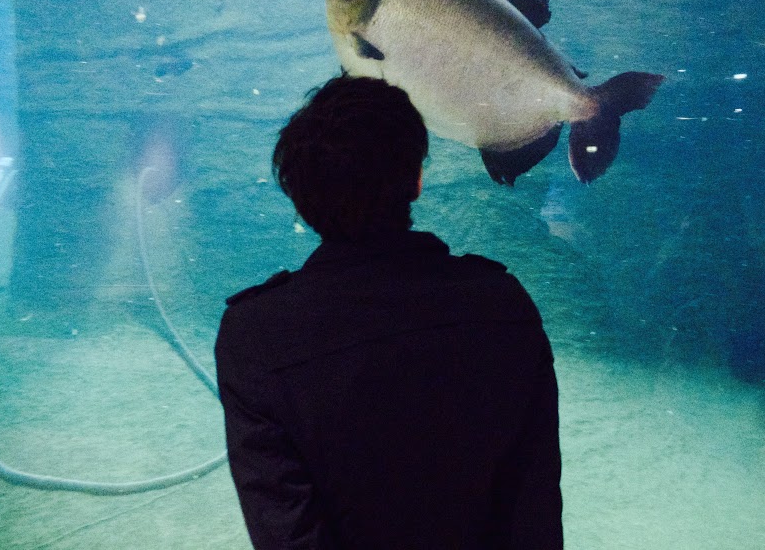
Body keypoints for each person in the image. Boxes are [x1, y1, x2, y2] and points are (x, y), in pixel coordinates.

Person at [214, 75, 563, 549]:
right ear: (416, 181)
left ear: (298, 196)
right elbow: (533, 509)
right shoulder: (502, 303)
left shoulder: (254, 336)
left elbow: (288, 532)